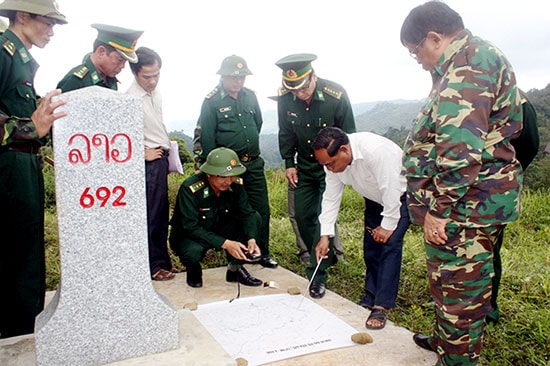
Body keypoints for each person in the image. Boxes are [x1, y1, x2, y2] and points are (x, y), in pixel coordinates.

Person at [400, 2, 523, 364]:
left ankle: (457, 357)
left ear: (434, 38)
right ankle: (445, 341)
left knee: (461, 295)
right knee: (445, 282)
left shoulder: (470, 65)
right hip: (463, 205)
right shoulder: (459, 62)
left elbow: (459, 152)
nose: (419, 60)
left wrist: (438, 211)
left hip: (467, 207)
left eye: (415, 52)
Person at [0, 0, 67, 338]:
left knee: (26, 249)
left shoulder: (21, 60)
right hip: (8, 168)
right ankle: (16, 334)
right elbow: (24, 125)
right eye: (48, 22)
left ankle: (25, 326)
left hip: (24, 164)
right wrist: (30, 128)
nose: (52, 31)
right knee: (16, 254)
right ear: (22, 16)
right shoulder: (3, 52)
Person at [312, 127, 410, 329]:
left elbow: (391, 189)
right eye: (324, 165)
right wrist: (325, 235)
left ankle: (382, 306)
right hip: (374, 199)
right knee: (372, 247)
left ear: (344, 151)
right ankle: (370, 295)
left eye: (330, 164)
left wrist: (388, 225)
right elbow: (331, 197)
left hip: (401, 197)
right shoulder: (331, 161)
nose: (328, 169)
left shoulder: (375, 152)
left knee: (390, 245)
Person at [276, 53, 356, 299]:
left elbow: (350, 136)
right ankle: (326, 255)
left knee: (324, 216)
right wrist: (289, 163)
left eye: (303, 88)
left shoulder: (336, 96)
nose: (299, 94)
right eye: (294, 90)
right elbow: (286, 131)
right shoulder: (285, 98)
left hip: (330, 168)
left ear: (313, 76)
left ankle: (317, 273)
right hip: (305, 168)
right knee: (302, 215)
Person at [192, 55, 277, 269]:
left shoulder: (250, 97)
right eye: (233, 77)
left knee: (261, 210)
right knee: (235, 211)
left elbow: (257, 123)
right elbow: (208, 139)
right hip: (229, 168)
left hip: (253, 164)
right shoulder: (212, 101)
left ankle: (262, 252)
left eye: (242, 77)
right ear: (223, 76)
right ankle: (238, 254)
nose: (238, 82)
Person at [169, 147, 264, 288]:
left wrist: (251, 238)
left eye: (232, 176)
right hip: (193, 234)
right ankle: (193, 269)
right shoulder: (191, 188)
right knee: (192, 253)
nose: (229, 181)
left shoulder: (236, 184)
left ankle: (235, 270)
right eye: (223, 176)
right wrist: (225, 243)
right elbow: (189, 226)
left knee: (254, 218)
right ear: (209, 174)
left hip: (220, 226)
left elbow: (247, 213)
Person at [486, 92, 539, 325]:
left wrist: (503, 177)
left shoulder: (515, 99)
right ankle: (455, 301)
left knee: (487, 249)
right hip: (460, 189)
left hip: (492, 193)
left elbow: (529, 144)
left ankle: (487, 308)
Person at [126, 46, 177, 281]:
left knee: (161, 214)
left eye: (157, 74)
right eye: (147, 76)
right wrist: (140, 154)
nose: (153, 80)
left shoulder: (156, 93)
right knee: (151, 215)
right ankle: (153, 266)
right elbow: (122, 139)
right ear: (135, 73)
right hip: (148, 162)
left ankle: (162, 261)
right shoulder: (130, 98)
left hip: (161, 157)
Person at [57, 23, 143, 92]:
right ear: (101, 52)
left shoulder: (110, 80)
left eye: (125, 62)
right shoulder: (75, 81)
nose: (122, 66)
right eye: (119, 60)